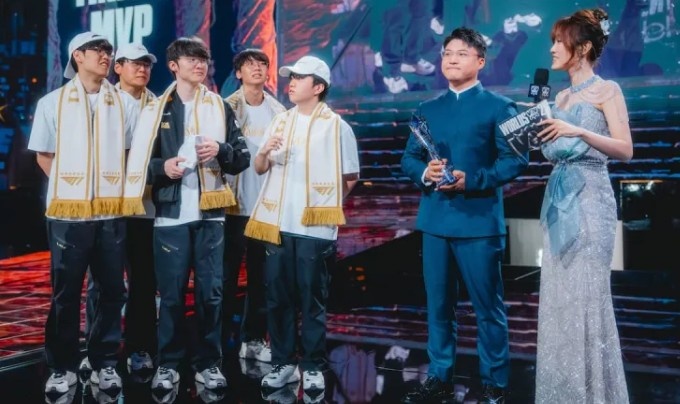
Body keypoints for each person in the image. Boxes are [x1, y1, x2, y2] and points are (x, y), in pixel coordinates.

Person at [400, 27, 528, 404]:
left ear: (481, 61)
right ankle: (439, 376)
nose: (452, 59)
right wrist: (426, 173)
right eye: (447, 53)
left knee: (488, 308)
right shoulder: (427, 109)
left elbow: (515, 161)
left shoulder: (500, 107)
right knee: (438, 307)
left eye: (461, 53)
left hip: (479, 224)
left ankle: (495, 383)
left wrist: (472, 180)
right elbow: (409, 158)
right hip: (435, 223)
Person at [122, 37, 250, 402]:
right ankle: (169, 363)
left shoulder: (220, 106)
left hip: (212, 216)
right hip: (170, 216)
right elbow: (138, 166)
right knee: (172, 297)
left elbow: (241, 158)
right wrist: (163, 167)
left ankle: (209, 363)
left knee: (211, 295)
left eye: (203, 59)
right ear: (173, 66)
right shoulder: (155, 110)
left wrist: (221, 149)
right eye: (191, 59)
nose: (199, 64)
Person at [28, 31, 137, 402]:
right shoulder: (52, 103)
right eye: (98, 50)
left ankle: (104, 360)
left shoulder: (124, 103)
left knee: (111, 290)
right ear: (77, 55)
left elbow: (128, 152)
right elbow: (44, 155)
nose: (106, 56)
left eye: (109, 50)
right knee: (66, 293)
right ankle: (62, 366)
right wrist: (73, 190)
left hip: (110, 213)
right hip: (68, 215)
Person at [244, 55, 359, 400]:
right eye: (290, 77)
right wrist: (263, 152)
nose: (291, 83)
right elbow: (260, 167)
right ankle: (282, 363)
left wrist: (322, 204)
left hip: (315, 229)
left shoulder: (336, 127)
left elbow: (350, 177)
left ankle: (312, 366)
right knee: (277, 299)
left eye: (299, 77)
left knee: (312, 301)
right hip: (278, 225)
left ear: (318, 87)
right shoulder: (280, 121)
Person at [535, 8, 632, 403]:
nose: (553, 49)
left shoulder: (607, 90)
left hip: (591, 199)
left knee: (587, 295)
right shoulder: (559, 97)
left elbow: (625, 149)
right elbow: (553, 152)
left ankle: (594, 394)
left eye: (560, 42)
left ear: (584, 47)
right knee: (558, 297)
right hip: (558, 197)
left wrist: (577, 130)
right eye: (553, 42)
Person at [79, 42, 159, 385]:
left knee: (144, 282)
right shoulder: (103, 101)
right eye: (134, 63)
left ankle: (140, 348)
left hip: (146, 209)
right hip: (109, 208)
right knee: (103, 283)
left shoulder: (159, 105)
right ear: (119, 67)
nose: (142, 69)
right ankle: (94, 350)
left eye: (147, 64)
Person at [223, 48, 286, 362]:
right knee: (225, 278)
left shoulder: (279, 111)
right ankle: (221, 340)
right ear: (239, 73)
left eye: (262, 64)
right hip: (232, 206)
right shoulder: (225, 107)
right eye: (250, 64)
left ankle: (253, 339)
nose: (257, 68)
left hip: (265, 207)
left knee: (261, 279)